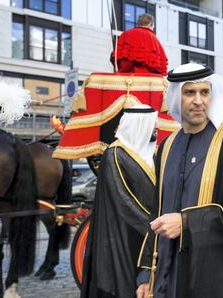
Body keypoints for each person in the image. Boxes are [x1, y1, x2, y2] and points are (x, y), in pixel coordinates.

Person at [136, 63, 223, 298]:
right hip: (167, 274)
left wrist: (188, 222)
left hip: (211, 277)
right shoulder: (166, 147)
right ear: (177, 97)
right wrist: (147, 274)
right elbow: (155, 212)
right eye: (190, 93)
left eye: (204, 92)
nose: (199, 100)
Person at [81, 104, 158, 298]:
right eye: (152, 124)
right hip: (124, 235)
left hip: (147, 235)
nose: (156, 128)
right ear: (139, 125)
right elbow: (122, 200)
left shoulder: (151, 153)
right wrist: (154, 226)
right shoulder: (114, 154)